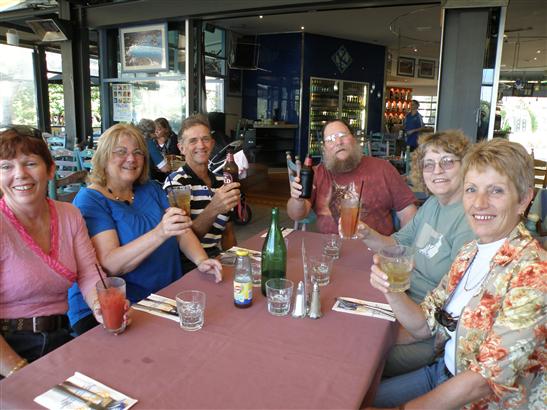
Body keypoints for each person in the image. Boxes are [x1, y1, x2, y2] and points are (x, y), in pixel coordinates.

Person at [370, 139, 545, 409]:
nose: (479, 203)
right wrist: (390, 289)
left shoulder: (534, 272)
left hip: (486, 401)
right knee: (352, 397)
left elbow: (483, 381)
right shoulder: (469, 252)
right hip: (442, 373)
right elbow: (424, 324)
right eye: (471, 189)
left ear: (523, 200)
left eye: (496, 191)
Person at [67, 124, 222, 335]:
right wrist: (160, 233)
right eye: (121, 152)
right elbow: (111, 265)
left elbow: (181, 230)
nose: (131, 159)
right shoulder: (91, 199)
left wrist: (201, 261)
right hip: (115, 310)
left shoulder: (150, 189)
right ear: (103, 157)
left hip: (162, 296)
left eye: (138, 152)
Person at [359, 130, 475, 377]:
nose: (437, 170)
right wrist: (366, 233)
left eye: (447, 162)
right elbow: (396, 244)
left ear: (465, 165)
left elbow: (455, 307)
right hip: (399, 304)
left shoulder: (469, 221)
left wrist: (395, 334)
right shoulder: (432, 204)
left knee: (356, 356)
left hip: (423, 332)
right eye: (429, 164)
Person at [0, 126, 103, 376]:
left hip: (59, 338)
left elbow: (90, 274)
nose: (20, 174)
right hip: (8, 349)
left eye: (30, 163)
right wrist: (18, 371)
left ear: (50, 169)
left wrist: (102, 307)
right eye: (6, 167)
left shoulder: (69, 214)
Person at [287, 119, 417, 236]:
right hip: (332, 251)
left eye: (342, 135)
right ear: (324, 148)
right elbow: (297, 215)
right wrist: (297, 200)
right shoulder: (317, 174)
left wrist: (401, 250)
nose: (338, 142)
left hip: (375, 252)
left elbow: (408, 213)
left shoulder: (383, 168)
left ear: (353, 139)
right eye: (330, 139)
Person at [163, 114, 239, 271]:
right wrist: (214, 207)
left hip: (217, 259)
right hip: (188, 265)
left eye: (205, 139)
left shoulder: (222, 182)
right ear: (181, 148)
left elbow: (228, 234)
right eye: (193, 141)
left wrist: (236, 266)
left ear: (212, 144)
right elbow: (183, 239)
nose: (201, 145)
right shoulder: (176, 182)